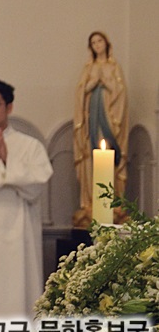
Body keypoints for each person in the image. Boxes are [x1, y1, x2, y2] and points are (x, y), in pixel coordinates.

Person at [0, 79, 53, 332]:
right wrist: (4, 173)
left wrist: (6, 164)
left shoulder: (30, 146)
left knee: (18, 293)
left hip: (20, 238)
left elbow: (38, 183)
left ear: (9, 107)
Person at [72, 31, 128, 227]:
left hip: (110, 118)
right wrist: (92, 84)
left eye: (99, 41)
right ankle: (91, 201)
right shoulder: (89, 68)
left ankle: (112, 201)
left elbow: (121, 93)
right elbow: (80, 92)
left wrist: (107, 82)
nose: (97, 45)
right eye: (93, 42)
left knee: (109, 153)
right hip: (92, 119)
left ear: (106, 43)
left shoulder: (114, 67)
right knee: (91, 156)